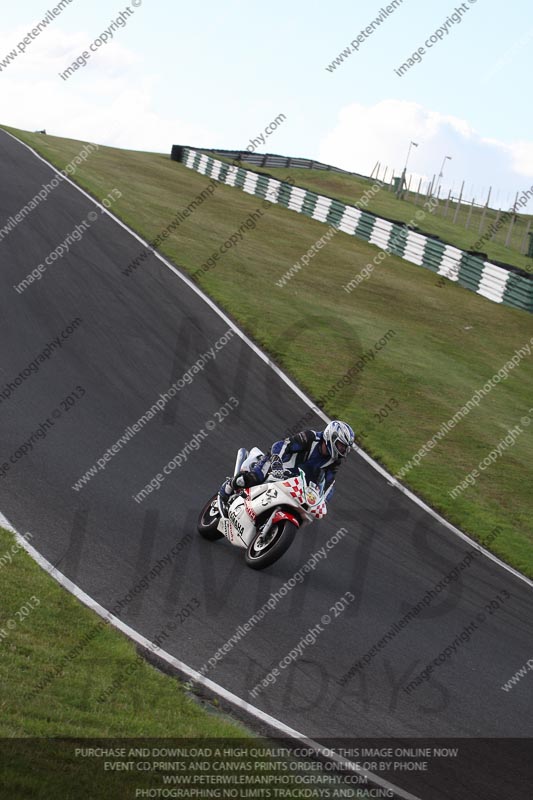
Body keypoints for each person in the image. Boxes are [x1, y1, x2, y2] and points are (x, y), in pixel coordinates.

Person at [218, 420, 355, 513]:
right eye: (341, 445)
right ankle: (229, 486)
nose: (342, 450)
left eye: (345, 448)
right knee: (254, 478)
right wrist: (277, 464)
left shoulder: (334, 461)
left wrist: (322, 500)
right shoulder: (310, 438)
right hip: (279, 465)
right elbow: (281, 445)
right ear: (331, 437)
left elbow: (329, 483)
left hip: (297, 483)